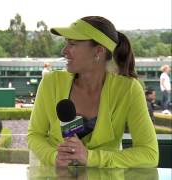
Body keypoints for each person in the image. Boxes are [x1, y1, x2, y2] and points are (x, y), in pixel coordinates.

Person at [28, 16, 158, 168]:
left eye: (73, 44)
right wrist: (53, 157)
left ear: (98, 51)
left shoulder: (128, 89)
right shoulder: (51, 82)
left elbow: (149, 154)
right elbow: (35, 135)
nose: (64, 51)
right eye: (66, 43)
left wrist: (91, 157)